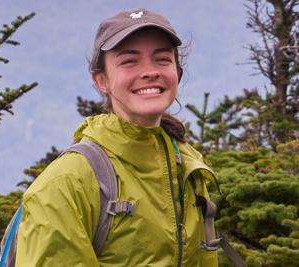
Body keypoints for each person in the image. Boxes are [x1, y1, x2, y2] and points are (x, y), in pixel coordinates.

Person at [16, 7, 218, 266]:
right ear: (101, 80)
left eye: (162, 59)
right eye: (129, 61)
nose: (149, 71)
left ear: (177, 73)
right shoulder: (69, 182)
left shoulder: (186, 166)